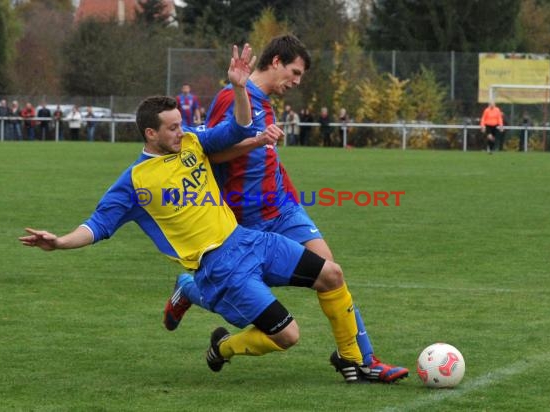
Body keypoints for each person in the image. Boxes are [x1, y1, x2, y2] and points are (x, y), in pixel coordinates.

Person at [18, 44, 366, 385]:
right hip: (221, 268)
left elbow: (238, 130)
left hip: (249, 240)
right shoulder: (135, 182)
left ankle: (355, 362)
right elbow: (98, 226)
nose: (181, 131)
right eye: (172, 127)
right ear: (150, 133)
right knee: (289, 335)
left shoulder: (191, 142)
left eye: (181, 124)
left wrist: (240, 89)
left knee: (332, 274)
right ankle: (220, 341)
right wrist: (60, 242)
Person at [164, 34, 408, 383]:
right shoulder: (233, 97)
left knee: (331, 273)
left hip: (284, 209)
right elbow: (211, 152)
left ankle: (356, 358)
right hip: (246, 221)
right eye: (294, 73)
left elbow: (265, 158)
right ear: (276, 61)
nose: (296, 82)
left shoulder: (267, 102)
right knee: (245, 294)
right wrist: (257, 140)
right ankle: (190, 290)